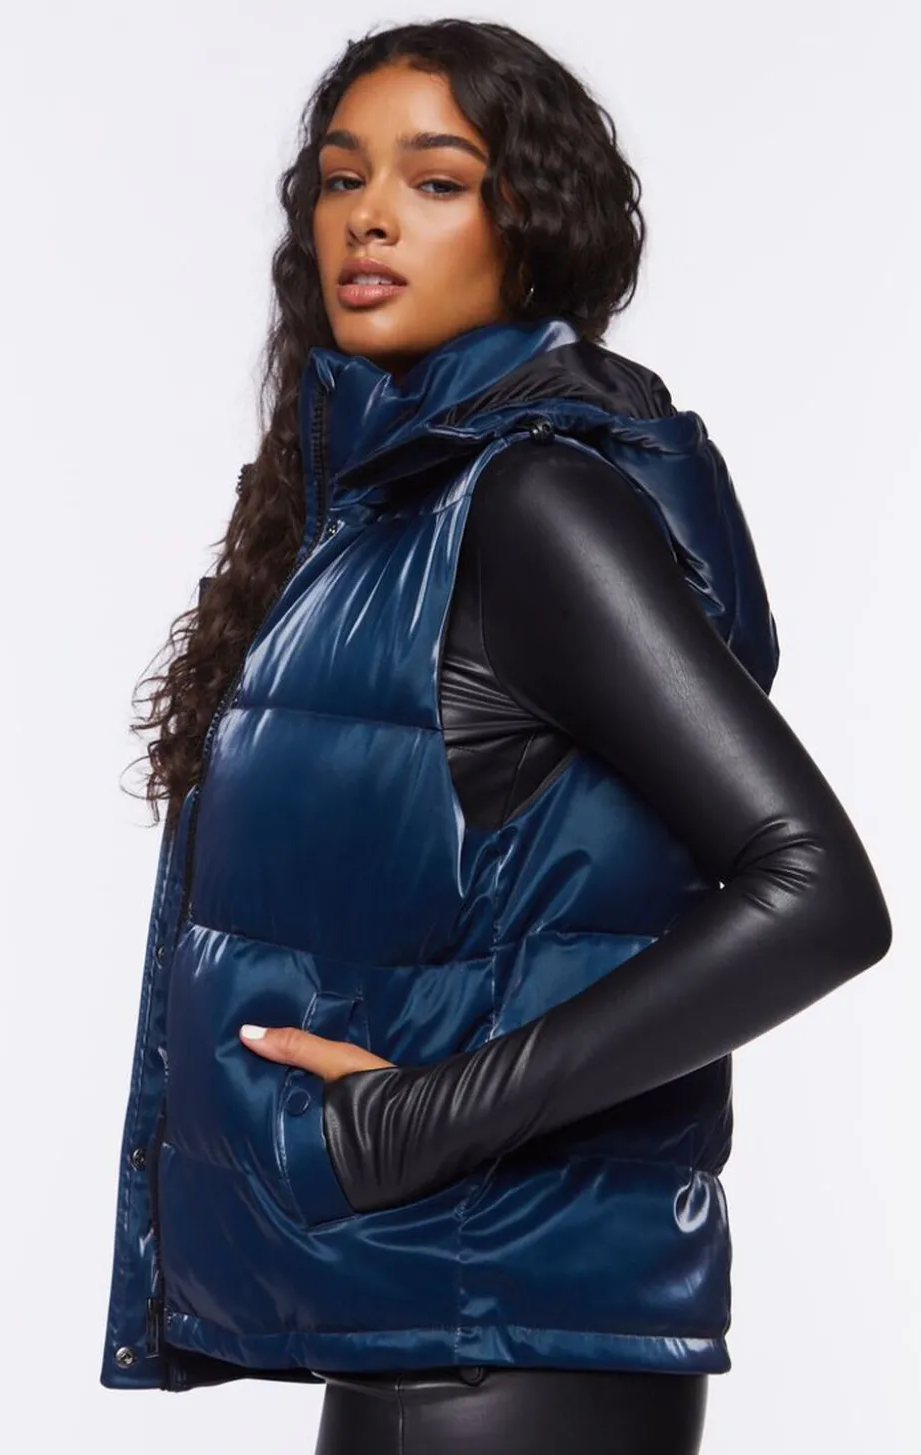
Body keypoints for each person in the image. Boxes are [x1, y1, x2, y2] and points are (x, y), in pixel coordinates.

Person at [99, 20, 893, 1455]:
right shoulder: (385, 512)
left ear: (529, 230)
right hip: (415, 1314)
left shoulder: (533, 505)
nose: (369, 217)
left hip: (506, 1334)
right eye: (341, 178)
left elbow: (818, 892)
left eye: (435, 180)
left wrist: (404, 1126)